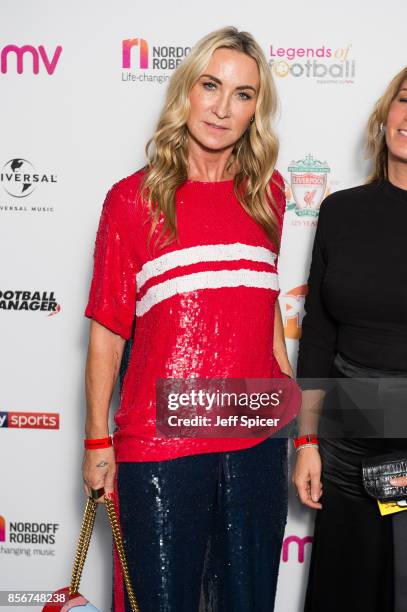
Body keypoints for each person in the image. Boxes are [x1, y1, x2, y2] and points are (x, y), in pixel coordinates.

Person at [82, 27, 293, 612]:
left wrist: (293, 415)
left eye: (243, 94)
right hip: (159, 439)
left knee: (248, 600)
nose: (224, 108)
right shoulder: (133, 200)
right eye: (211, 86)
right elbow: (107, 328)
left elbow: (266, 306)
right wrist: (98, 437)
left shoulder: (268, 193)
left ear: (256, 111)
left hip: (256, 433)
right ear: (187, 90)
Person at [293, 65, 407, 612]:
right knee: (348, 590)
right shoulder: (340, 210)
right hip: (345, 446)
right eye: (406, 100)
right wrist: (307, 441)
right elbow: (317, 332)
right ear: (386, 114)